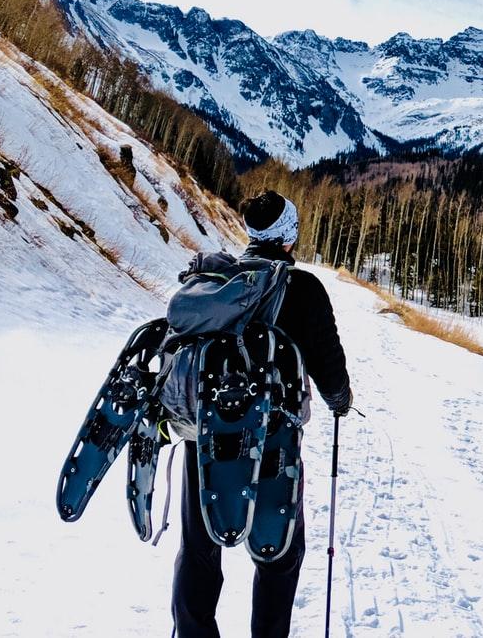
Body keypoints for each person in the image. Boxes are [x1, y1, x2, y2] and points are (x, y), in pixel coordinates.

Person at [172, 190, 352, 638]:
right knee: (279, 552)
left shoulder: (221, 285)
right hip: (273, 442)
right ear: (289, 235)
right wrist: (340, 401)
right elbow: (329, 365)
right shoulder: (303, 288)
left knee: (198, 548)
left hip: (205, 436)